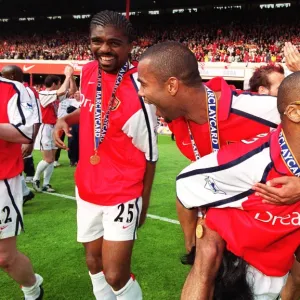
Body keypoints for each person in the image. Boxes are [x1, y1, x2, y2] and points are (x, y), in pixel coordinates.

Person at [137, 41, 300, 299]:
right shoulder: (178, 125)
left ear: (171, 86)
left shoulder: (259, 110)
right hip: (234, 216)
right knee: (206, 252)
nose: (141, 93)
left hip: (282, 219)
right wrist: (191, 239)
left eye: (144, 84)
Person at [53, 10, 158, 300]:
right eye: (97, 41)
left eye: (114, 42)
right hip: (86, 188)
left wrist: (143, 205)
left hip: (123, 193)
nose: (104, 49)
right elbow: (88, 110)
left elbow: (151, 155)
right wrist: (66, 120)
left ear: (129, 45)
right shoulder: (88, 71)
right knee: (93, 263)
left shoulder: (142, 88)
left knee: (115, 274)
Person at [176, 71, 300, 299]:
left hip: (283, 261)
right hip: (242, 266)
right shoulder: (251, 163)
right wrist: (192, 241)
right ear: (294, 112)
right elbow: (186, 184)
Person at [0, 76, 43, 299]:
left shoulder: (12, 90)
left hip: (2, 178)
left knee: (4, 257)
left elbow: (25, 132)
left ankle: (32, 288)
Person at [1, 65, 42, 204]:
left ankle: (25, 188)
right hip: (11, 135)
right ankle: (24, 191)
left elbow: (36, 118)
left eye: (4, 75)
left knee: (18, 164)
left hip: (16, 138)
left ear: (12, 76)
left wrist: (30, 141)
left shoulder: (26, 91)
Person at [32, 69, 77, 192]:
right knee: (49, 159)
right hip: (45, 128)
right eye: (59, 83)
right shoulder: (43, 94)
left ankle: (46, 184)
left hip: (53, 128)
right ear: (54, 84)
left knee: (52, 160)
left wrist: (71, 77)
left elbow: (72, 91)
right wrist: (67, 75)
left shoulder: (54, 95)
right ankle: (35, 178)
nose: (60, 85)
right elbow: (62, 90)